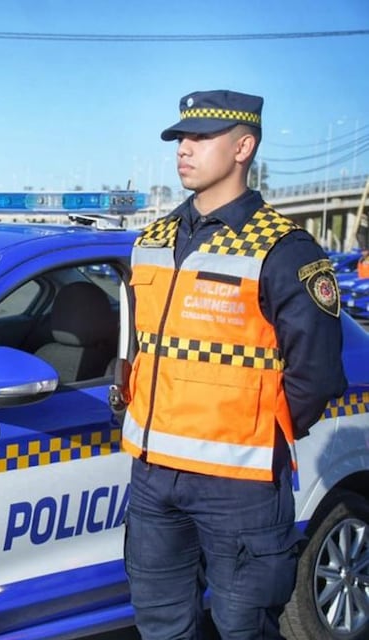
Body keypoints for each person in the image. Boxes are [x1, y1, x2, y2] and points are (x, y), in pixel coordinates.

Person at [122, 90, 347, 639]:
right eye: (180, 138)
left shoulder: (284, 249)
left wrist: (253, 431)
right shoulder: (152, 241)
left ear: (243, 146)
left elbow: (315, 373)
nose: (184, 148)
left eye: (200, 138)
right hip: (153, 477)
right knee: (160, 626)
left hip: (239, 485)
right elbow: (139, 347)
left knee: (242, 628)